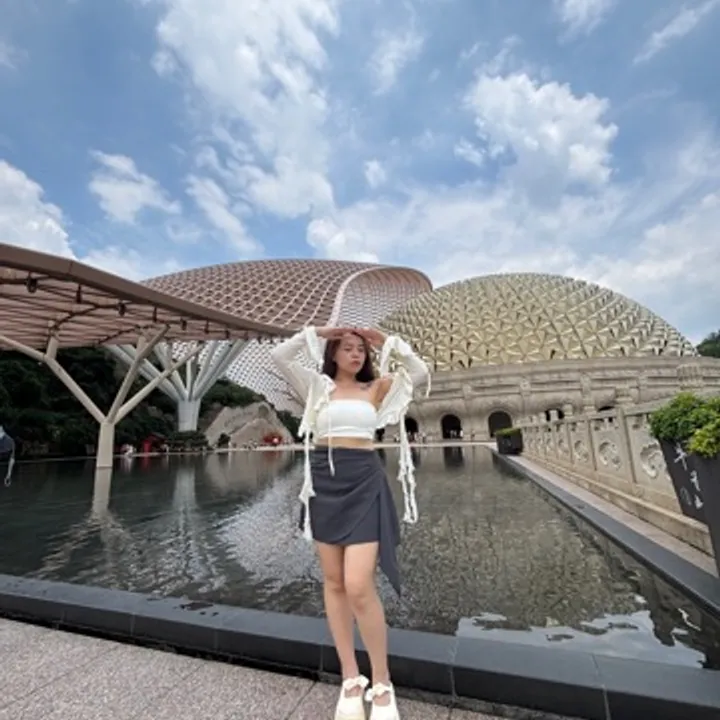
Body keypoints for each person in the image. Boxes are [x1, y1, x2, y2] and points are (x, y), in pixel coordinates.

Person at [271, 325, 430, 720]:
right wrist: (321, 332)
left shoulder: (376, 387)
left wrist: (388, 342)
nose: (356, 354)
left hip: (363, 479)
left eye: (360, 349)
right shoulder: (316, 386)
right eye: (347, 348)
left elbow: (420, 373)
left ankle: (382, 682)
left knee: (359, 584)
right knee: (335, 582)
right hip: (324, 482)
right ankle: (350, 678)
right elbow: (279, 356)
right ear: (333, 353)